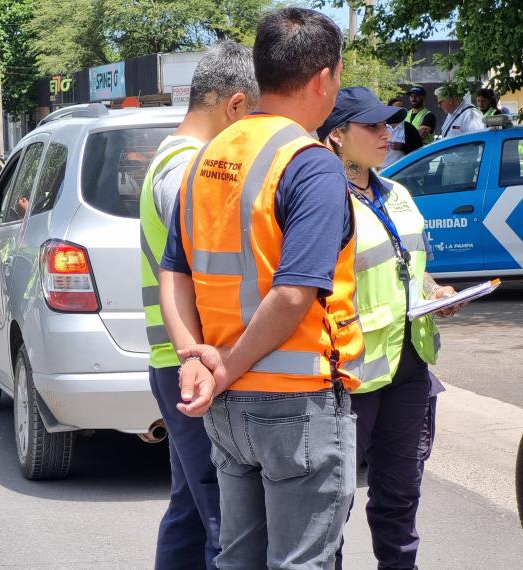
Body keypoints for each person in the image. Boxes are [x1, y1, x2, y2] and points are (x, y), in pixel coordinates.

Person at [160, 8, 363, 569]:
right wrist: (222, 365)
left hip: (227, 409)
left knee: (236, 560)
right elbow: (294, 294)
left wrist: (193, 358)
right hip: (296, 404)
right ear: (324, 78)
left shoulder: (207, 158)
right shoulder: (310, 164)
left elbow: (171, 271)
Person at [318, 86, 462, 570]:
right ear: (337, 136)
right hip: (350, 372)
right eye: (373, 126)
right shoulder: (323, 197)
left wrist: (436, 292)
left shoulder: (395, 191)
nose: (388, 133)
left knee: (401, 495)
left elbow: (411, 264)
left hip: (409, 365)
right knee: (330, 507)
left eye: (388, 124)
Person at [139, 40, 258, 570]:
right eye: (258, 119)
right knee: (223, 526)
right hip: (195, 363)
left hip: (181, 362)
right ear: (234, 106)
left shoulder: (178, 160)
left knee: (192, 511)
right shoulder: (189, 170)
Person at [382, 97, 423, 168]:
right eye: (397, 109)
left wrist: (402, 147)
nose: (399, 111)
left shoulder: (409, 128)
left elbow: (418, 149)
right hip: (380, 170)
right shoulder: (380, 126)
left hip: (401, 171)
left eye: (401, 109)